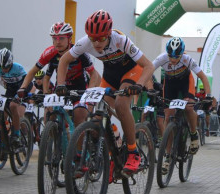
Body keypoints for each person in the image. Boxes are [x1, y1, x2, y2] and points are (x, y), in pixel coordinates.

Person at [55, 10, 155, 177]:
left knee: (121, 105)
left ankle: (133, 152)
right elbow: (64, 60)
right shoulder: (85, 42)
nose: (97, 43)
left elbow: (149, 66)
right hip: (109, 76)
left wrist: (139, 85)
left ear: (109, 34)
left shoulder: (121, 40)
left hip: (130, 72)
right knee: (97, 118)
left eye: (101, 38)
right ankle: (111, 156)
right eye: (93, 38)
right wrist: (60, 84)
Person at [17, 22, 101, 128]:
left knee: (79, 117)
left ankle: (77, 140)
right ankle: (51, 137)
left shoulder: (79, 52)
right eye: (54, 38)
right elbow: (33, 71)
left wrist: (89, 92)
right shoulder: (49, 53)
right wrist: (23, 87)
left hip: (79, 87)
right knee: (50, 114)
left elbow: (93, 74)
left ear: (69, 39)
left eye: (61, 38)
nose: (58, 42)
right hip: (61, 87)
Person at [151, 37, 212, 173]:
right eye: (170, 56)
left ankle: (193, 134)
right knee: (168, 116)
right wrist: (148, 87)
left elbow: (203, 77)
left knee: (189, 107)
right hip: (170, 83)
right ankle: (167, 155)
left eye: (176, 56)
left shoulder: (188, 59)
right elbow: (149, 70)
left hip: (186, 82)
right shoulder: (161, 58)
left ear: (182, 54)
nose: (172, 59)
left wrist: (208, 95)